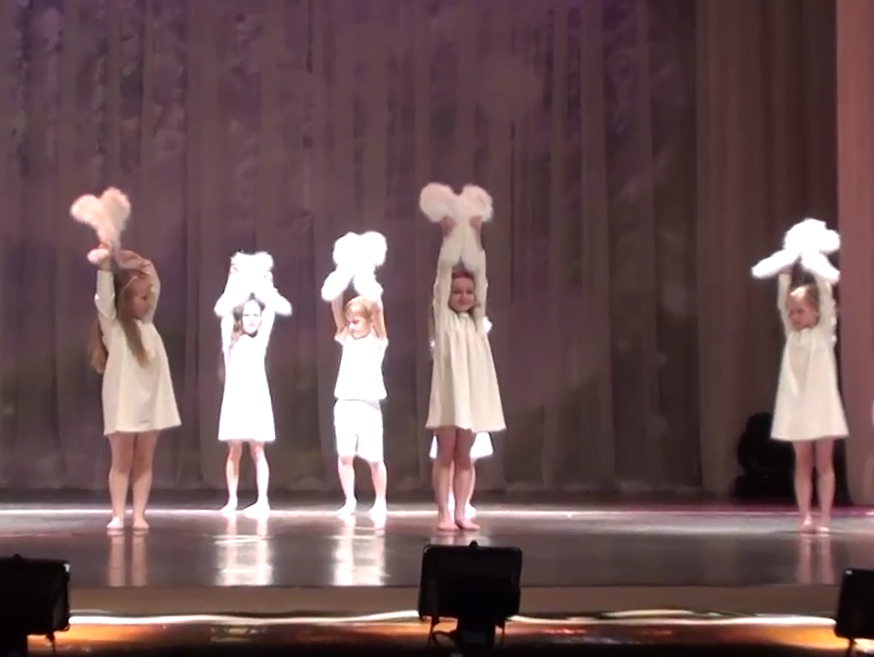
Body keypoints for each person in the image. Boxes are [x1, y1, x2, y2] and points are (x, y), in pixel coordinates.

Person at [424, 184, 505, 533]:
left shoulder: (475, 322)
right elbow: (444, 273)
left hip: (471, 396)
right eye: (457, 291)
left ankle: (460, 511)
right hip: (449, 396)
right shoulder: (444, 320)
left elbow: (481, 275)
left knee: (465, 456)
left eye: (468, 292)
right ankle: (443, 513)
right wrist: (450, 237)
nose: (463, 296)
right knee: (446, 453)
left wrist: (474, 238)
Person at [90, 248, 180, 530]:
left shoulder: (148, 324)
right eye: (142, 298)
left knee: (144, 460)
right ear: (126, 301)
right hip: (124, 403)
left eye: (147, 297)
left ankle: (139, 514)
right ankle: (118, 514)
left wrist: (144, 264)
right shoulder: (114, 329)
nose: (148, 301)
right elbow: (104, 297)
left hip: (151, 403)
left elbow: (155, 284)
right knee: (122, 461)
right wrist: (106, 265)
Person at [771, 266, 848, 533]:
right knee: (802, 463)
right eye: (792, 312)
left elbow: (826, 298)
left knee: (824, 464)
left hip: (822, 407)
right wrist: (784, 276)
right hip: (798, 408)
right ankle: (804, 516)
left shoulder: (824, 333)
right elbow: (781, 306)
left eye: (800, 311)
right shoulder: (792, 336)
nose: (794, 316)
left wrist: (818, 269)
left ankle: (825, 517)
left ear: (816, 312)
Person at [214, 254, 292, 518]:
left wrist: (267, 284)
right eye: (247, 314)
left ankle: (263, 500)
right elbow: (225, 311)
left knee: (258, 451)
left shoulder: (259, 342)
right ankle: (232, 500)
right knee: (234, 451)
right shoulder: (230, 341)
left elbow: (271, 311)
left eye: (255, 315)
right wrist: (232, 279)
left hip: (257, 400)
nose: (251, 318)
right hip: (235, 400)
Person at [428, 317, 495, 519]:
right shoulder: (443, 343)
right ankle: (447, 503)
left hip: (472, 404)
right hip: (451, 404)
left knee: (467, 457)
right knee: (447, 455)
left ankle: (463, 502)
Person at [330, 293, 389, 518]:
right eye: (349, 322)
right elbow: (335, 307)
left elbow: (379, 311)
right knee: (345, 456)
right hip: (345, 405)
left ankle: (380, 500)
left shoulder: (377, 340)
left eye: (356, 321)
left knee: (375, 459)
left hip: (368, 407)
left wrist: (372, 290)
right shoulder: (346, 337)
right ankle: (349, 500)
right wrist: (337, 288)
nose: (351, 326)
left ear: (369, 321)